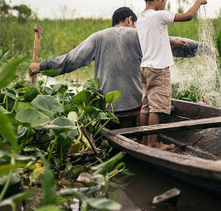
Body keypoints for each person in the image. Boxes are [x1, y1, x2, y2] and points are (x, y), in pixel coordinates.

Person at [28, 7, 208, 125]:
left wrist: (41, 66)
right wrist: (205, 49)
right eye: (135, 24)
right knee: (157, 103)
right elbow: (177, 44)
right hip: (136, 110)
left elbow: (70, 60)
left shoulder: (98, 37)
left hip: (107, 111)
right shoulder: (138, 35)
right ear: (130, 20)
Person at [137, 0, 207, 149]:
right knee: (157, 107)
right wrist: (198, 1)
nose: (164, 4)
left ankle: (145, 141)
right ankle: (153, 144)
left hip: (145, 68)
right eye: (165, 0)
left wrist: (173, 42)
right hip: (159, 69)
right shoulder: (159, 15)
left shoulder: (141, 18)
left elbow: (154, 38)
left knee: (145, 107)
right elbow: (189, 16)